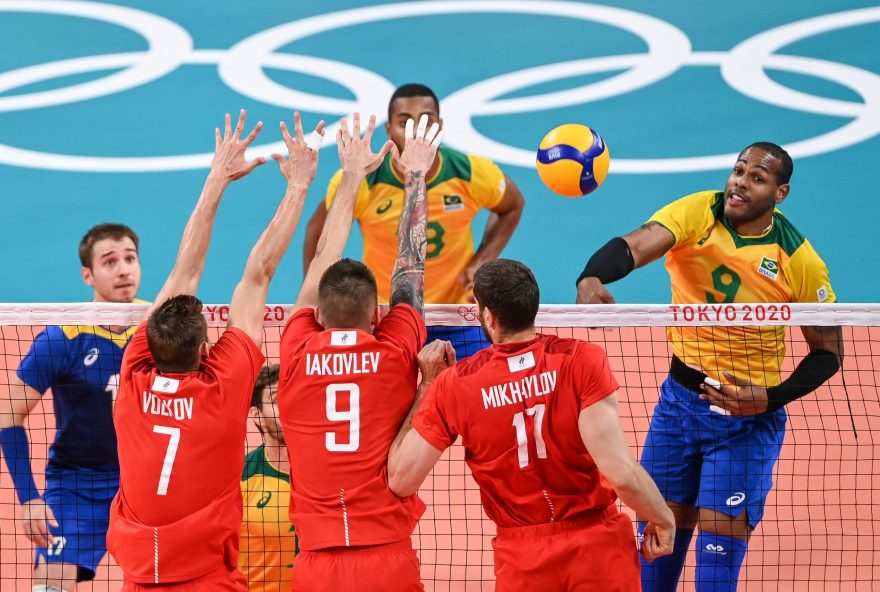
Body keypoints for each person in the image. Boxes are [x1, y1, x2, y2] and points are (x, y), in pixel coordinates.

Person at [574, 142, 844, 592]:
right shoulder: (699, 212)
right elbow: (634, 245)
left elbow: (828, 352)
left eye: (757, 178)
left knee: (716, 570)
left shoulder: (799, 260)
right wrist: (590, 276)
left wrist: (770, 399)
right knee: (655, 550)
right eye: (738, 171)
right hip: (678, 408)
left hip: (746, 421)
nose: (740, 182)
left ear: (780, 194)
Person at [107, 110, 324, 590]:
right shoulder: (223, 388)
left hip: (140, 578)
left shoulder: (134, 375)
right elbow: (258, 274)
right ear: (207, 351)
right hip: (210, 580)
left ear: (151, 343)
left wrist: (216, 178)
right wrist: (298, 186)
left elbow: (183, 274)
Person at [386, 258, 675, 591]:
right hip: (599, 546)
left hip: (524, 559)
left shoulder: (455, 385)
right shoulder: (582, 360)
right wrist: (661, 517)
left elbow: (401, 479)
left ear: (488, 317)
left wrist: (427, 387)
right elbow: (622, 473)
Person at [277, 113, 441, 592]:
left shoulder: (297, 348)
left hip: (316, 564)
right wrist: (416, 174)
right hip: (386, 559)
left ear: (320, 317)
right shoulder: (394, 350)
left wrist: (349, 179)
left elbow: (320, 265)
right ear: (376, 317)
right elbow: (410, 269)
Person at [302, 83, 525, 358]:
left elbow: (512, 206)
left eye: (426, 121)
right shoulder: (362, 180)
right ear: (388, 130)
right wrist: (316, 303)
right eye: (404, 122)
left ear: (440, 126)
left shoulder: (470, 173)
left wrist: (481, 260)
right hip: (387, 317)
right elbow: (316, 233)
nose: (416, 130)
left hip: (457, 315)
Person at [0, 222, 141, 591]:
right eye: (110, 262)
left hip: (145, 481)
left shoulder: (156, 325)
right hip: (78, 484)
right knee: (50, 586)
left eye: (130, 258)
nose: (124, 269)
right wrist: (30, 498)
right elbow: (8, 415)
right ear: (88, 275)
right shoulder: (62, 338)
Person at [240, 364, 298, 592]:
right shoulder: (239, 477)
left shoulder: (328, 470)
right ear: (257, 415)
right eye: (276, 400)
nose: (287, 406)